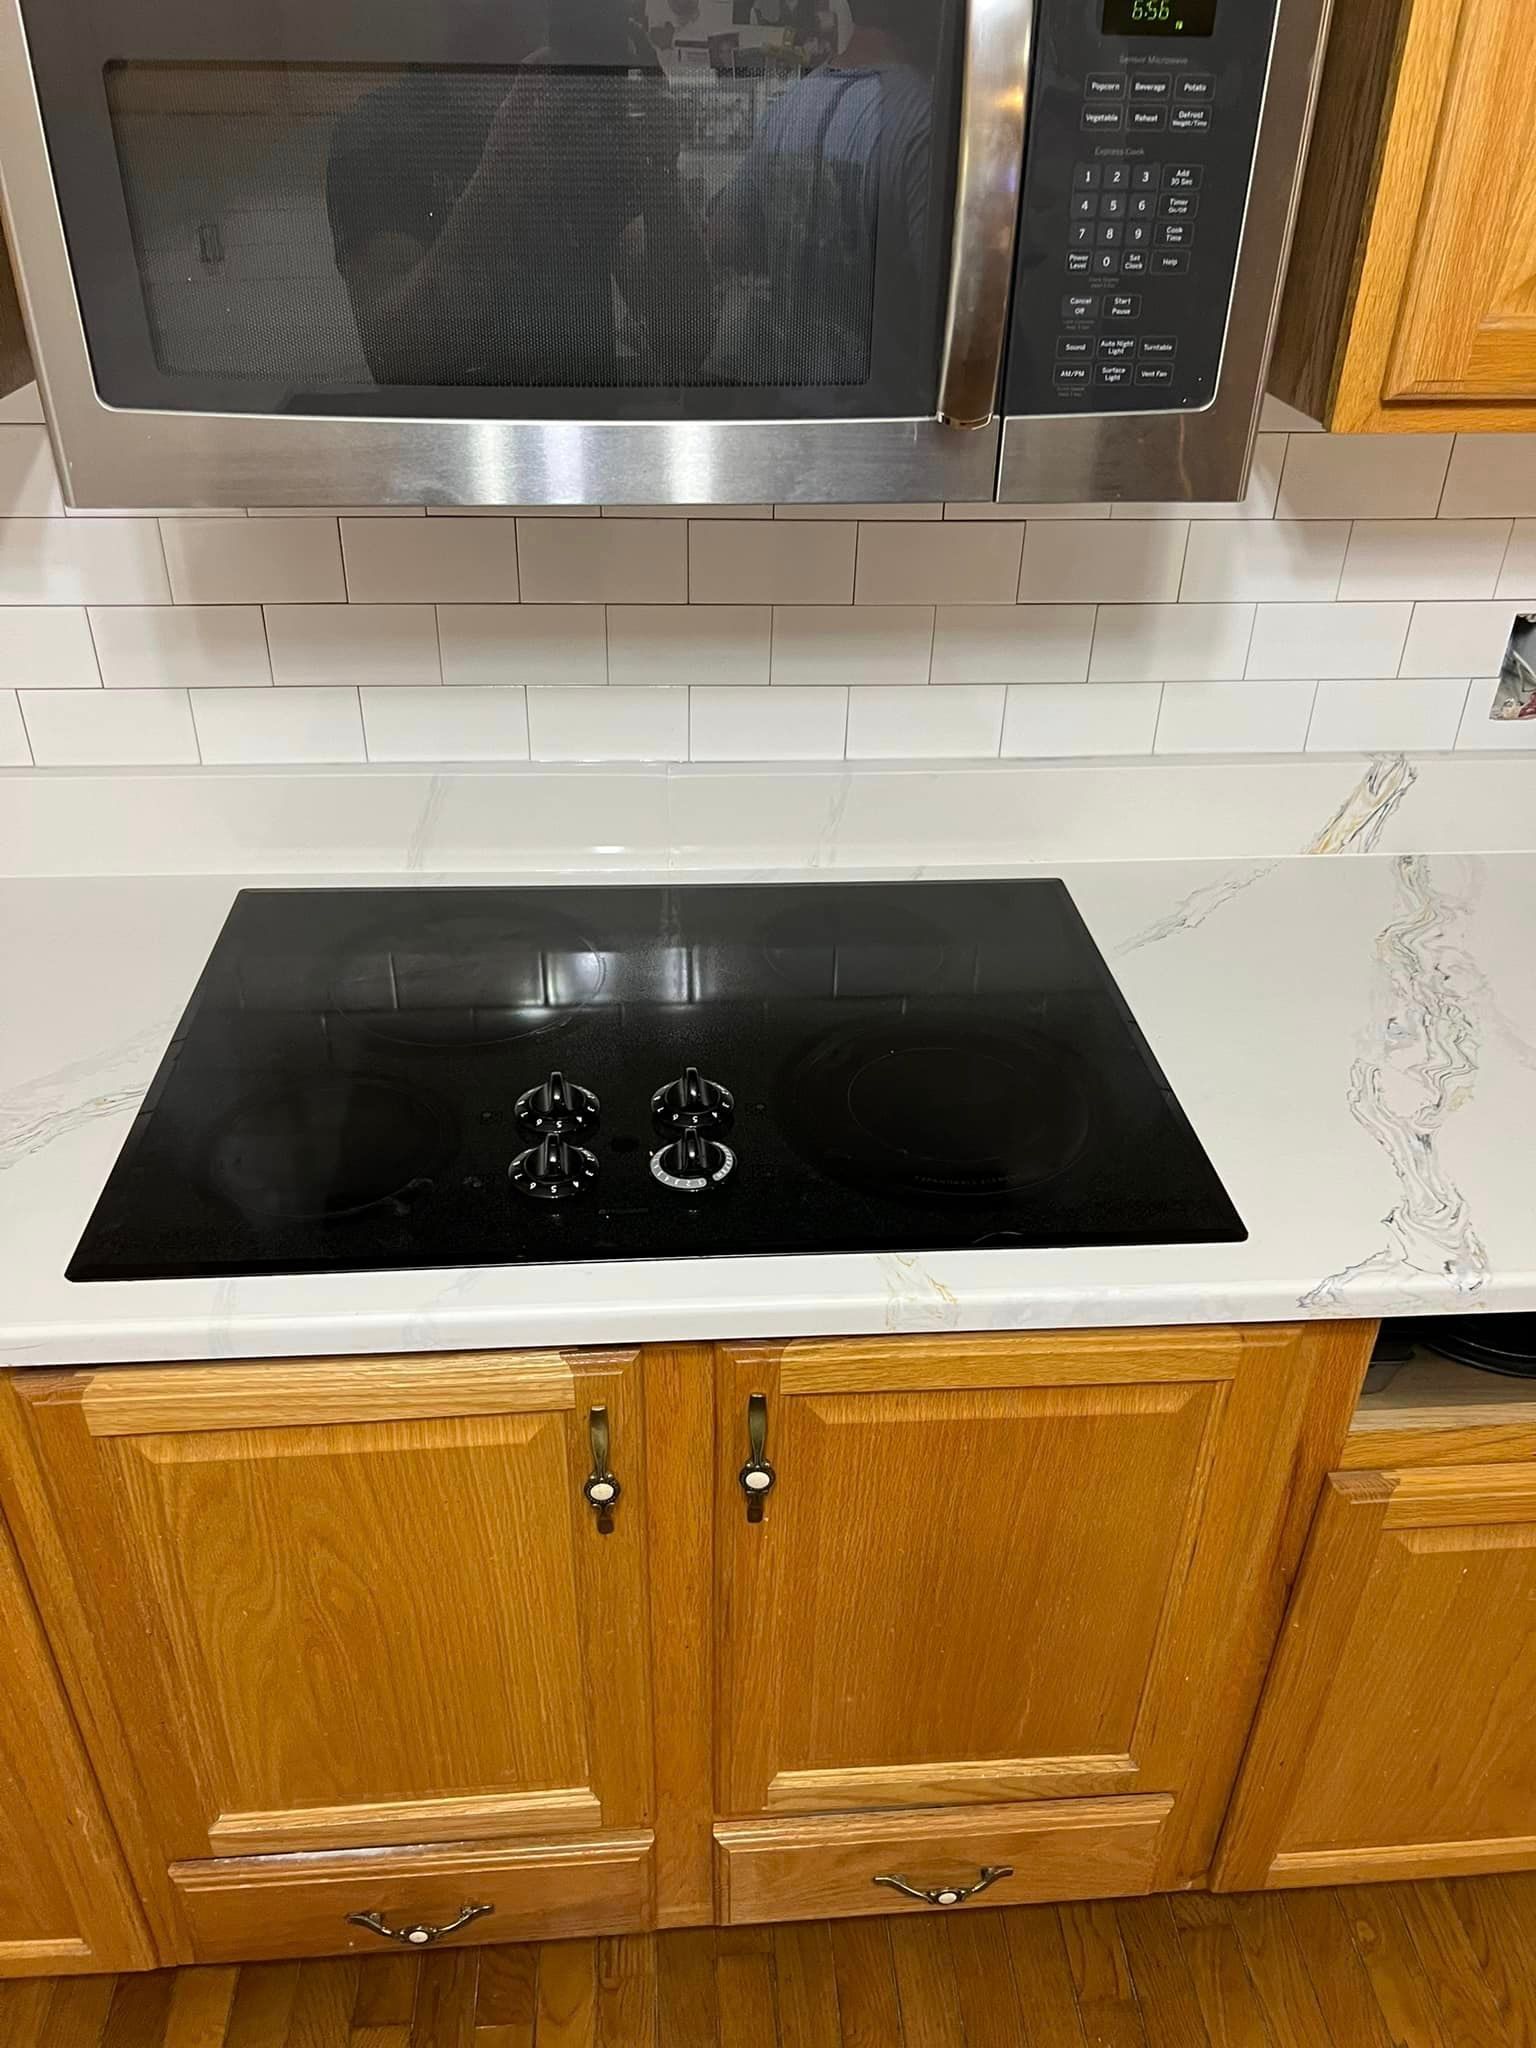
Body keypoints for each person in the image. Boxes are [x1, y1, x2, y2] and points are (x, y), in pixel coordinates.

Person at [326, 0, 711, 390]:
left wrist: (661, 177)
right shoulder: (379, 135)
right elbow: (398, 359)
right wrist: (502, 176)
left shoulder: (582, 118)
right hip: (450, 436)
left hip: (576, 430)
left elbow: (685, 342)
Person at [704, 0, 935, 390]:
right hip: (885, 415)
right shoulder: (925, 118)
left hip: (790, 400)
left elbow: (725, 238)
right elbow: (949, 305)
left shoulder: (790, 104)